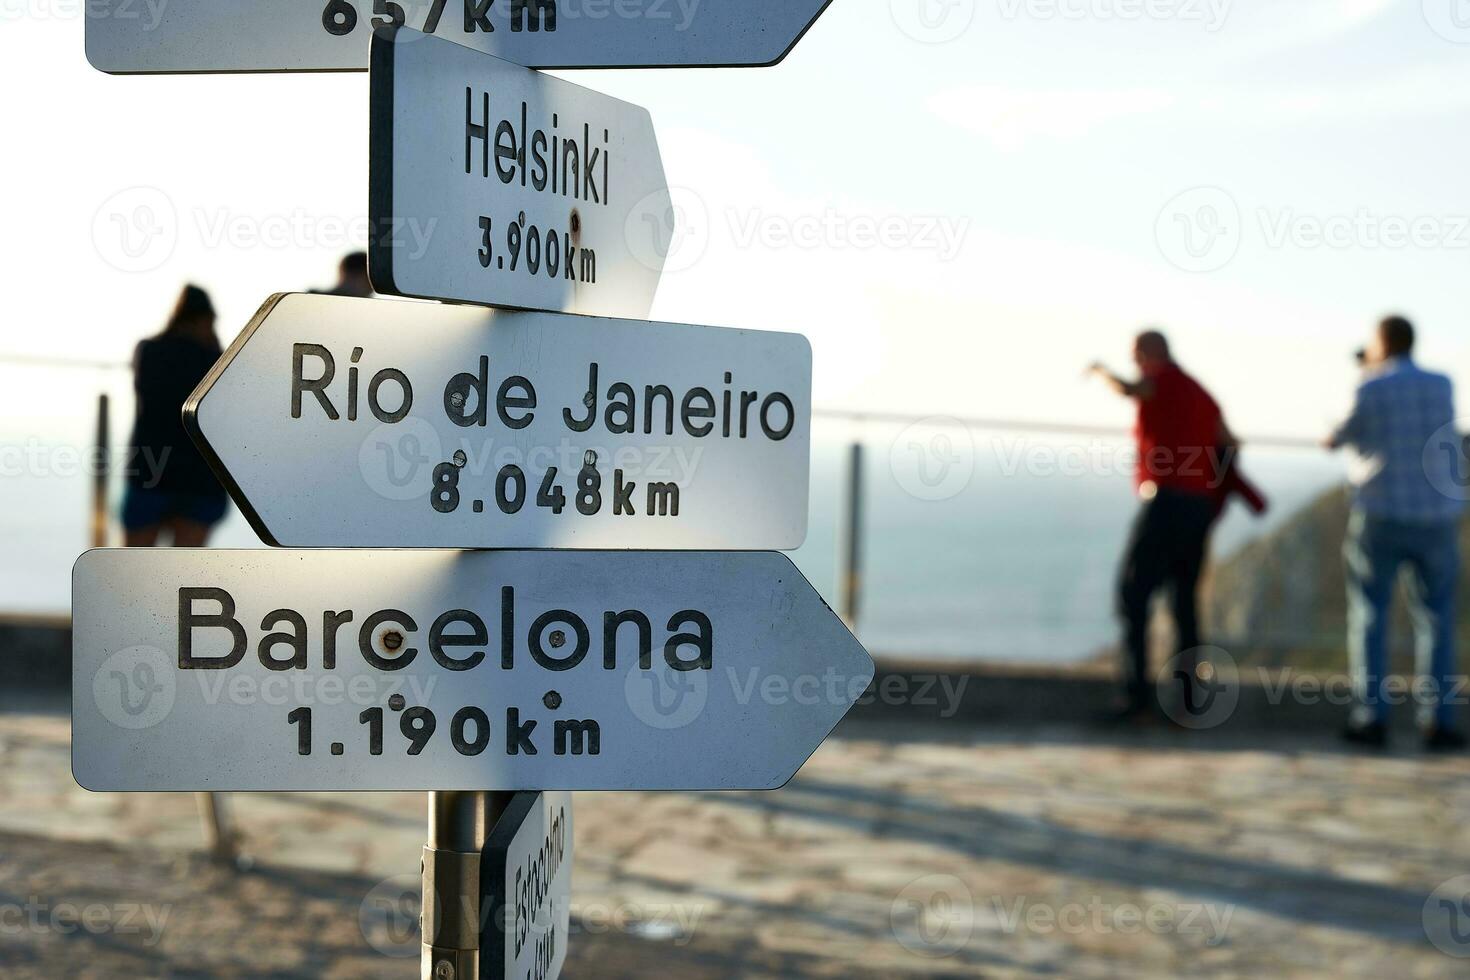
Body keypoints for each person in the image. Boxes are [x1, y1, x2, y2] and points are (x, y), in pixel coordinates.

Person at [1089, 331, 1250, 721]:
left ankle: (1136, 698)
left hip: (1164, 501)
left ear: (1148, 354)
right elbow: (1230, 442)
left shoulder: (1161, 381)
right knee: (1184, 603)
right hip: (1196, 507)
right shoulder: (1200, 392)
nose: (1136, 364)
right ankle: (1188, 702)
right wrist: (1212, 493)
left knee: (1132, 595)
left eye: (1136, 357)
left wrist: (1101, 373)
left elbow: (1132, 389)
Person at [1327, 315, 1464, 750]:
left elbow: (1343, 435)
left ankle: (1372, 717)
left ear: (1381, 343)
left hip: (1381, 512)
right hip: (1437, 515)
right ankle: (1437, 720)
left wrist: (1368, 371)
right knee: (1437, 619)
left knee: (1370, 615)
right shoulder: (1442, 383)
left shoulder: (1370, 386)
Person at [121, 285, 229, 547]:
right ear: (207, 319)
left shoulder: (149, 350)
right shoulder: (217, 360)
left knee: (130, 575)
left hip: (151, 470)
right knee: (183, 575)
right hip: (202, 476)